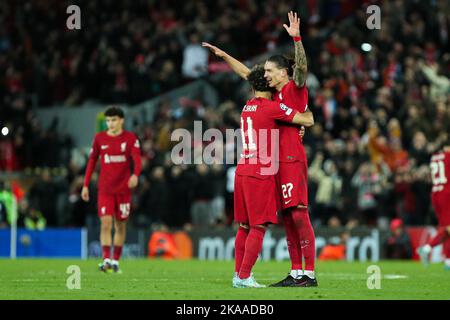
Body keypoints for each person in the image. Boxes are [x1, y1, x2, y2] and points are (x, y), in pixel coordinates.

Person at [204, 11, 317, 287]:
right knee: (288, 217)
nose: (263, 73)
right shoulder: (271, 97)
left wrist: (297, 39)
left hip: (291, 159)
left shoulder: (294, 86)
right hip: (272, 163)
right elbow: (247, 73)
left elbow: (302, 69)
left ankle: (310, 273)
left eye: (268, 70)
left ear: (282, 72)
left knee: (299, 213)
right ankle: (295, 272)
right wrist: (224, 56)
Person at [233, 64, 313, 288]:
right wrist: (306, 116)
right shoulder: (270, 108)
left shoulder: (247, 107)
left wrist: (222, 55)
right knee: (259, 227)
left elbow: (247, 74)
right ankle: (244, 276)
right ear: (267, 85)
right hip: (261, 171)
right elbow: (307, 120)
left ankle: (237, 274)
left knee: (244, 226)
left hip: (241, 170)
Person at [81, 106, 142, 273]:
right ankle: (106, 259)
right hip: (105, 190)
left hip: (123, 190)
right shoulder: (100, 138)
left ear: (121, 120)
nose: (110, 123)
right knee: (105, 223)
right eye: (108, 120)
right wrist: (85, 185)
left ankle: (116, 260)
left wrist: (135, 175)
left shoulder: (130, 138)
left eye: (114, 120)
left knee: (120, 225)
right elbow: (92, 161)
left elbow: (137, 159)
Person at [417, 138, 450, 270]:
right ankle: (426, 248)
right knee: (447, 228)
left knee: (445, 228)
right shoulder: (448, 157)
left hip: (436, 193)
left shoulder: (435, 158)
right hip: (447, 194)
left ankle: (448, 260)